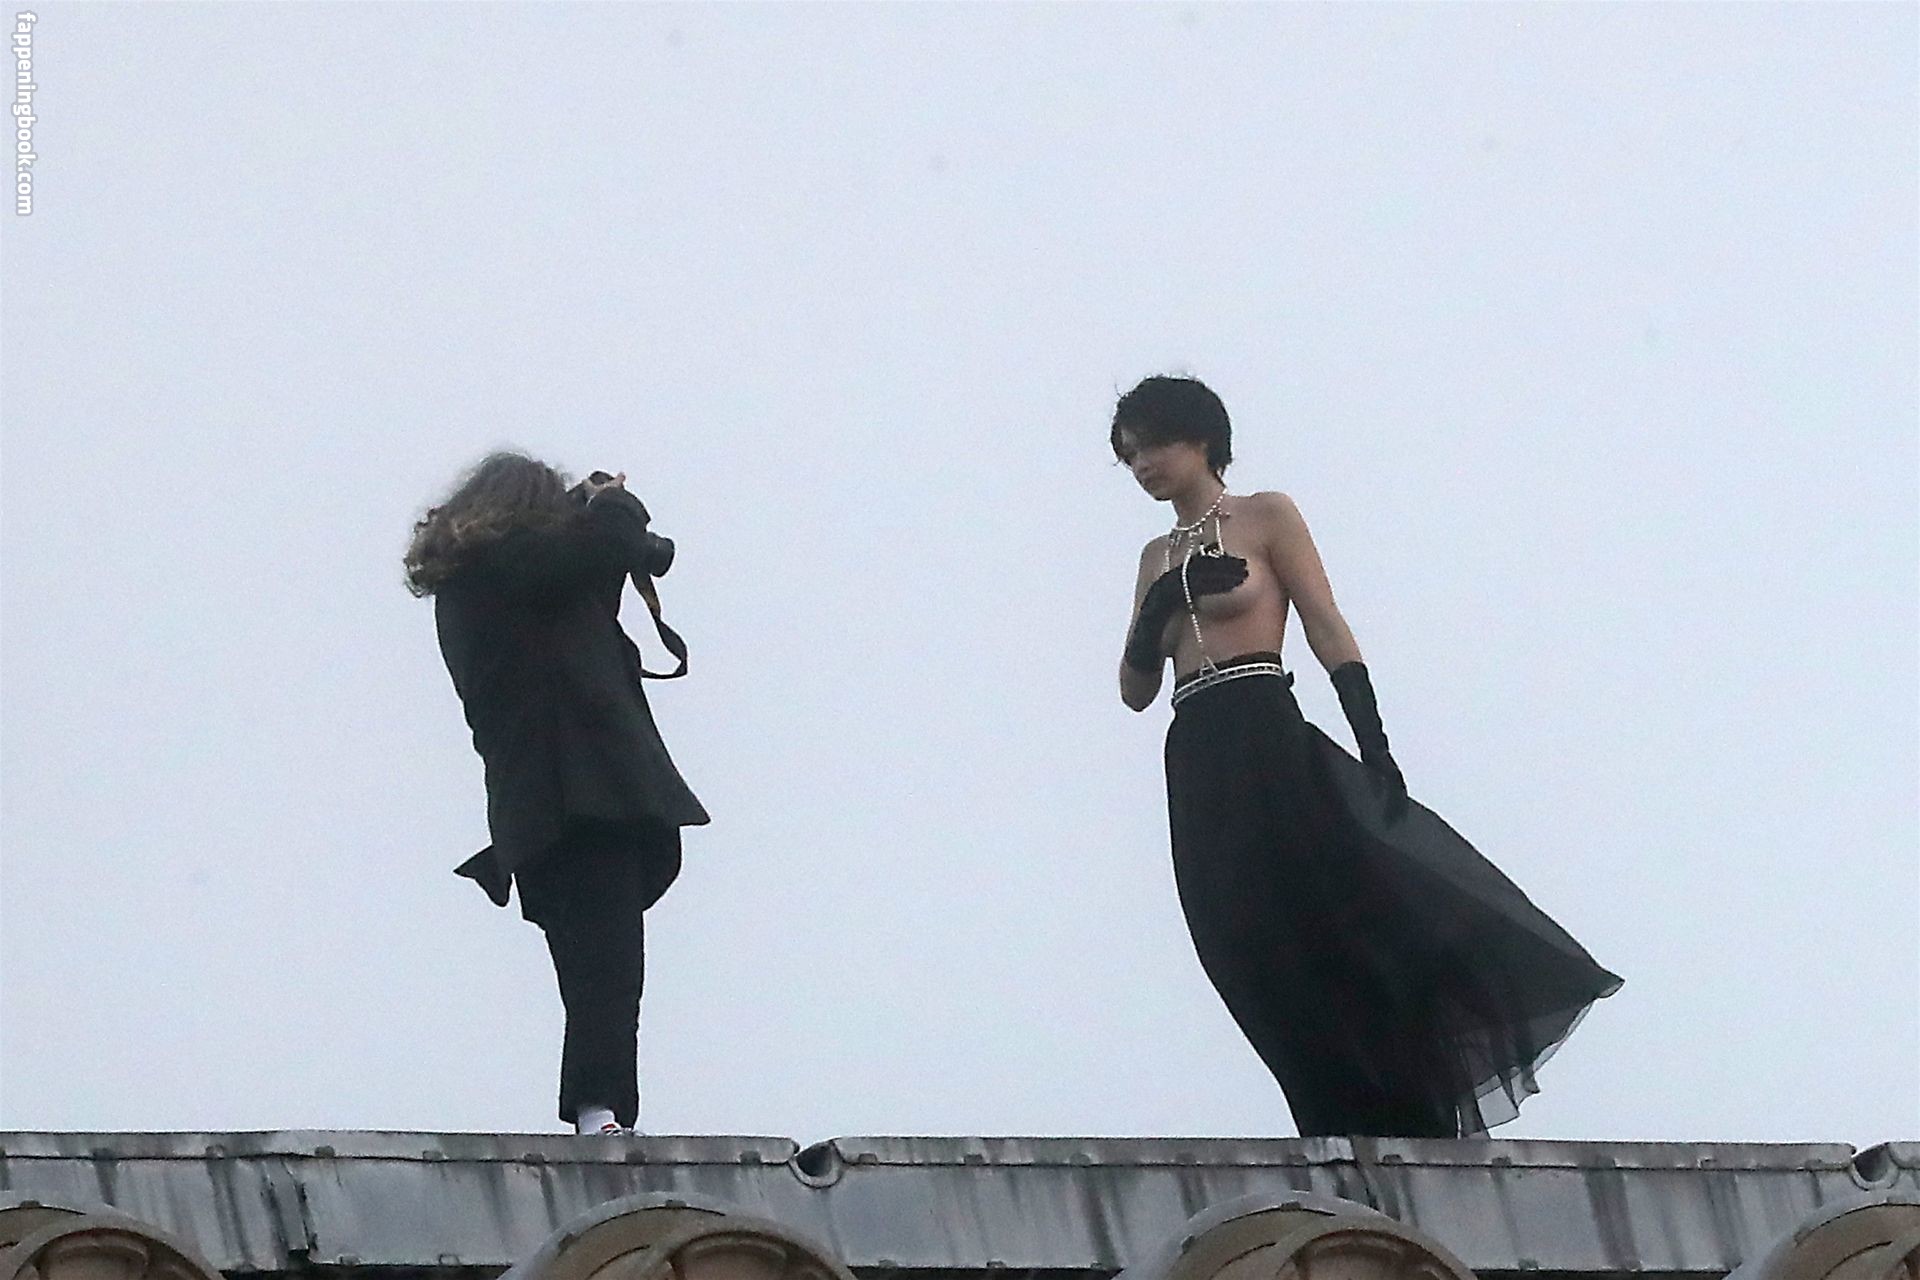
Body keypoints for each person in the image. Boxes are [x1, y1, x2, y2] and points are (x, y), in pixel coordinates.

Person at [1113, 375, 1621, 1137]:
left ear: (1201, 437)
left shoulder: (1266, 515)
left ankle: (1395, 1101)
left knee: (1327, 912)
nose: (1143, 464)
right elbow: (1134, 691)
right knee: (1235, 933)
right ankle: (1320, 1107)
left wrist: (1371, 739)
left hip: (1264, 725)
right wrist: (1163, 598)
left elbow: (1324, 622)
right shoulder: (1157, 554)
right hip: (1196, 749)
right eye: (1129, 455)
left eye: (1153, 444)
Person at [405, 451, 709, 1136]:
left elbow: (582, 587)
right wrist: (613, 508)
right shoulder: (503, 568)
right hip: (572, 800)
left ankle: (604, 1112)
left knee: (603, 968)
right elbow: (582, 558)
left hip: (556, 805)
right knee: (605, 969)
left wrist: (604, 528)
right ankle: (599, 1112)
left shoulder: (495, 583)